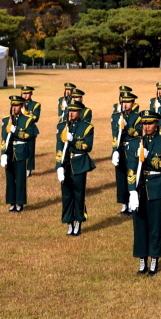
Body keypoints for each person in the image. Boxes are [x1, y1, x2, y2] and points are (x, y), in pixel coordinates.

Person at [126, 111, 161, 276]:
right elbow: (131, 168)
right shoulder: (133, 144)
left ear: (157, 124)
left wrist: (149, 157)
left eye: (150, 123)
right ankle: (141, 258)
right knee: (139, 225)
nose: (146, 126)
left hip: (156, 186)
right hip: (139, 188)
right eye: (144, 123)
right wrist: (131, 191)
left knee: (154, 225)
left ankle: (154, 258)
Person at [56, 100, 94, 236]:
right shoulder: (61, 126)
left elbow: (87, 146)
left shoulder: (87, 127)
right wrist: (58, 166)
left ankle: (78, 221)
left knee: (79, 194)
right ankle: (69, 222)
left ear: (80, 112)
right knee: (66, 195)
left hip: (79, 164)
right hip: (65, 164)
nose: (71, 113)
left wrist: (74, 141)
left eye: (74, 111)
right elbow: (59, 148)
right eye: (69, 111)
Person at [1, 95, 36, 212]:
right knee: (10, 178)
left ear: (21, 106)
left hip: (21, 151)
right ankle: (11, 202)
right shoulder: (6, 120)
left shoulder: (28, 120)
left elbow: (29, 135)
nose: (14, 108)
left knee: (20, 178)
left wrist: (16, 131)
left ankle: (20, 202)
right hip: (9, 152)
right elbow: (3, 138)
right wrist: (3, 154)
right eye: (12, 105)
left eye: (16, 105)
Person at [110, 92, 140, 215]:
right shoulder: (116, 117)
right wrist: (114, 151)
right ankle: (124, 203)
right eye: (123, 102)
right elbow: (114, 135)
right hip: (120, 149)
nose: (125, 104)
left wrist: (128, 129)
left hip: (131, 149)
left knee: (132, 175)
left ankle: (133, 202)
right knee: (121, 177)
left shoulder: (138, 117)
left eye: (128, 102)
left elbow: (138, 133)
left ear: (133, 103)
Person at [21, 85, 41, 177]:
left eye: (27, 93)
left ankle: (28, 168)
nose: (25, 95)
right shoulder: (17, 104)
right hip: (19, 129)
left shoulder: (36, 105)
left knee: (30, 150)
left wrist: (26, 113)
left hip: (30, 130)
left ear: (31, 93)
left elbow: (35, 118)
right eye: (24, 93)